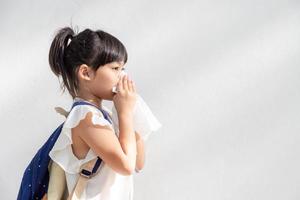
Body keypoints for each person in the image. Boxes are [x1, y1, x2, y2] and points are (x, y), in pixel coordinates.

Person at [48, 26, 145, 199]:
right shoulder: (85, 117)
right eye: (115, 68)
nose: (122, 76)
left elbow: (138, 162)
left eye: (123, 69)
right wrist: (125, 114)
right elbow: (126, 166)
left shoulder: (104, 114)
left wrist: (130, 109)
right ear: (86, 73)